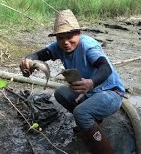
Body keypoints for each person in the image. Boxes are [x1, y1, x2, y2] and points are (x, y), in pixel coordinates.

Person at [20, 9, 125, 154]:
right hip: (89, 92)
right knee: (60, 93)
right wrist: (28, 60)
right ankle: (93, 121)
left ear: (79, 33)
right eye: (60, 38)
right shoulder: (59, 46)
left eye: (70, 37)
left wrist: (91, 83)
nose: (65, 43)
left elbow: (105, 68)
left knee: (81, 113)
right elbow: (42, 54)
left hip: (110, 92)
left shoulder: (88, 46)